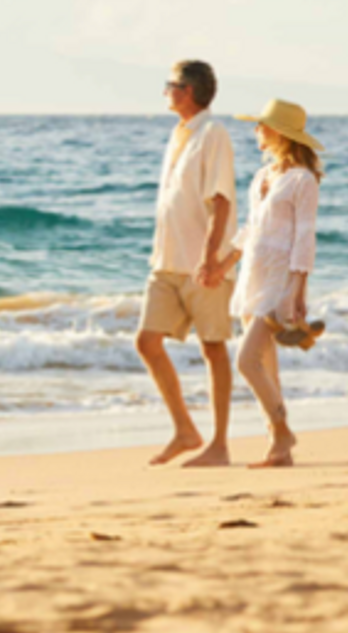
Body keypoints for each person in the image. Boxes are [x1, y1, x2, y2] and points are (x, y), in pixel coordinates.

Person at [135, 59, 238, 467]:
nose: (165, 92)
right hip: (166, 263)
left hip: (203, 264)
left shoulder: (212, 134)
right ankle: (185, 430)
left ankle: (219, 444)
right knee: (146, 341)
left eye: (170, 85)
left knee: (213, 348)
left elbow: (221, 201)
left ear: (188, 91)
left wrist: (211, 259)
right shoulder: (180, 135)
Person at [228, 99, 324, 469]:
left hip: (280, 280)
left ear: (279, 133)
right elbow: (252, 228)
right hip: (253, 274)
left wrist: (298, 291)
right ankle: (278, 448)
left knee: (246, 361)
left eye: (261, 126)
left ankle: (282, 431)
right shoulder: (261, 176)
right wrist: (224, 262)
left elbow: (305, 237)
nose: (256, 131)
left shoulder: (303, 180)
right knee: (266, 367)